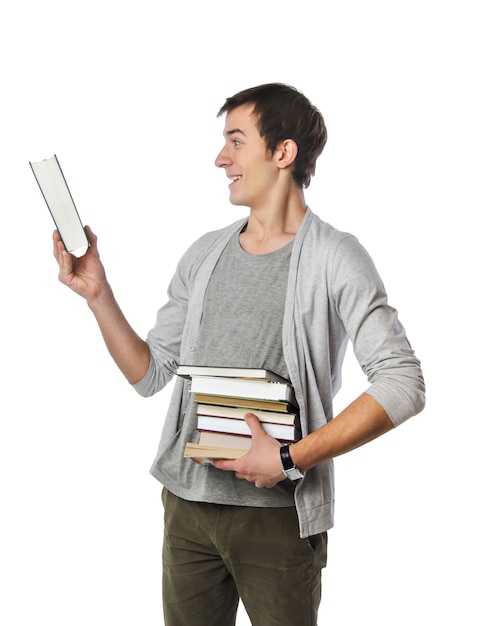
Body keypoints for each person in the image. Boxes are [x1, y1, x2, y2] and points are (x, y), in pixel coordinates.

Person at [52, 83, 425, 625]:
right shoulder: (204, 254)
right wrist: (98, 294)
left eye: (235, 141)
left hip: (276, 520)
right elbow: (151, 373)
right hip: (187, 508)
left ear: (283, 152)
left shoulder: (336, 257)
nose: (220, 158)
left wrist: (287, 459)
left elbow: (402, 381)